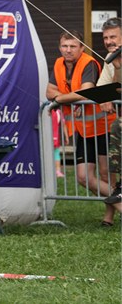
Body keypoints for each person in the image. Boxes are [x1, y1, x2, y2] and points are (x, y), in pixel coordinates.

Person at [46, 30, 117, 226]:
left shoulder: (89, 63)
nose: (68, 50)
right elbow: (48, 91)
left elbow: (86, 92)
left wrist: (60, 99)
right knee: (84, 177)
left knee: (106, 174)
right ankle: (119, 204)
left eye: (72, 46)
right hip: (82, 129)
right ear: (60, 47)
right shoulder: (59, 64)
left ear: (81, 48)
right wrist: (69, 97)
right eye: (64, 46)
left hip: (104, 125)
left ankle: (108, 218)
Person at [97, 17, 121, 203]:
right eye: (105, 38)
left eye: (113, 36)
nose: (108, 41)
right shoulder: (110, 58)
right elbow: (103, 89)